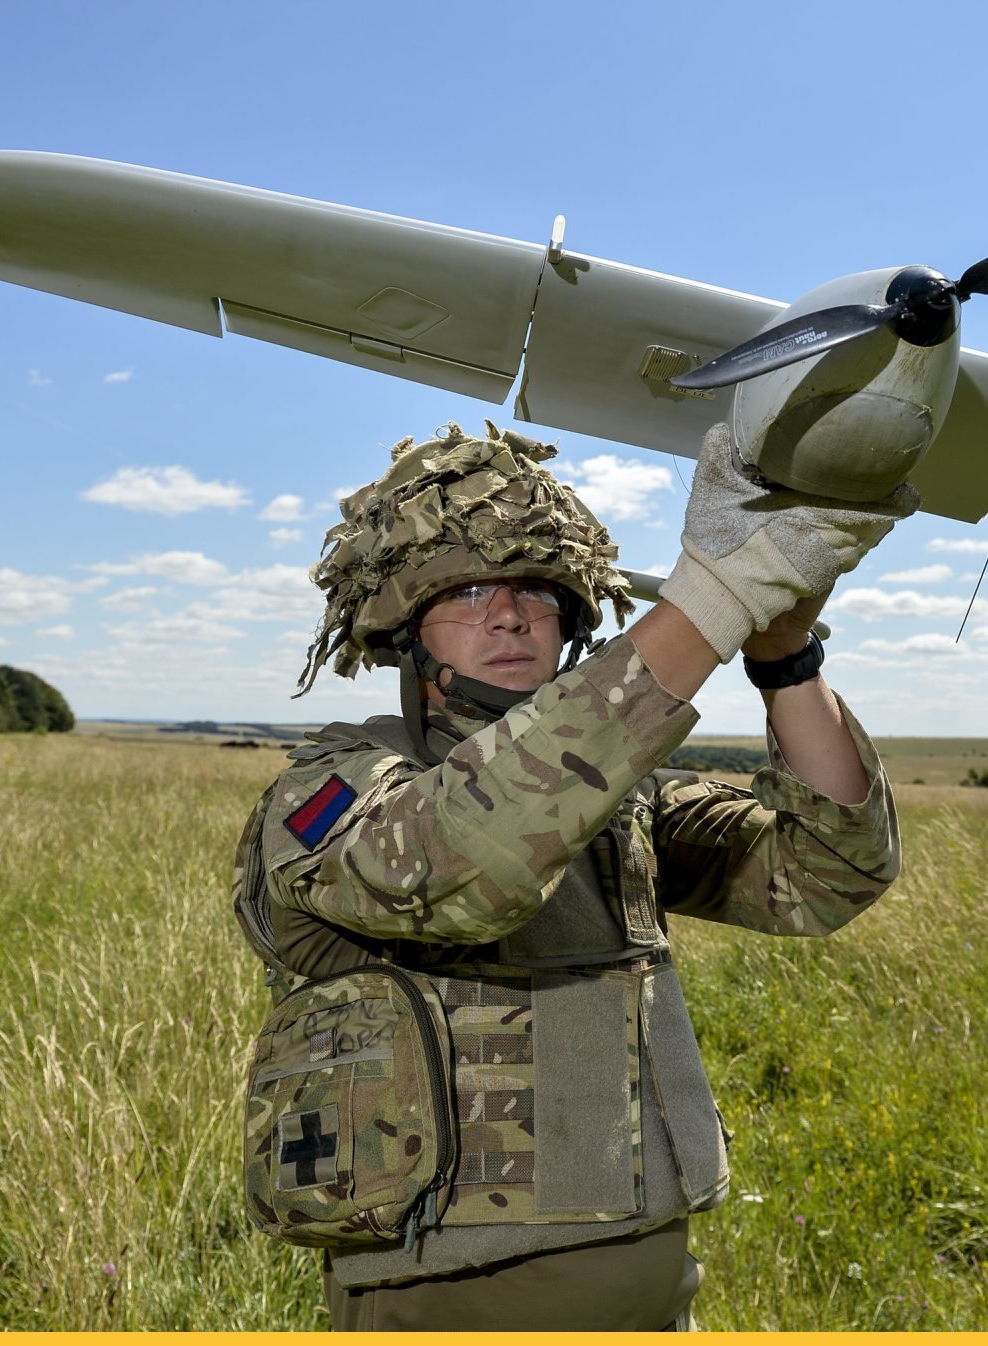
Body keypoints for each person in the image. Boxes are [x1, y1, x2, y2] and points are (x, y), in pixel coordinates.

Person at [231, 420, 915, 1330]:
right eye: (469, 591)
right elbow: (462, 860)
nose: (509, 615)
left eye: (536, 593)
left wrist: (783, 651)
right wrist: (713, 598)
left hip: (653, 1294)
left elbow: (827, 872)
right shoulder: (335, 792)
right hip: (454, 1301)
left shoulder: (616, 799)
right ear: (404, 624)